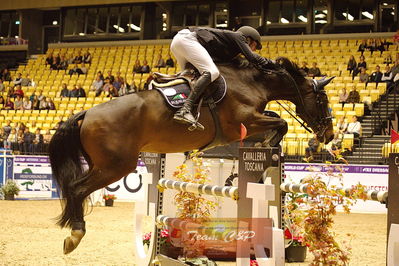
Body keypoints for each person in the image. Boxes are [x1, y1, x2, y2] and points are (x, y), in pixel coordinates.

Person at [170, 26, 273, 129]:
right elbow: (252, 57)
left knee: (190, 78)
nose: (254, 49)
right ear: (248, 39)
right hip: (187, 39)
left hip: (178, 42)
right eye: (254, 45)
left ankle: (178, 110)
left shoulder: (229, 51)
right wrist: (272, 63)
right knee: (212, 72)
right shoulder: (238, 36)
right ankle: (185, 109)